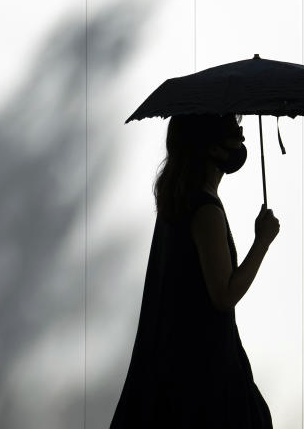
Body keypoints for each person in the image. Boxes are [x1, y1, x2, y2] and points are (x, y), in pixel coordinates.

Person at [110, 113, 280, 428]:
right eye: (232, 130)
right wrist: (263, 242)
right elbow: (224, 295)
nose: (241, 139)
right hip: (206, 369)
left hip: (178, 364)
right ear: (212, 147)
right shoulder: (205, 211)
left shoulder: (180, 200)